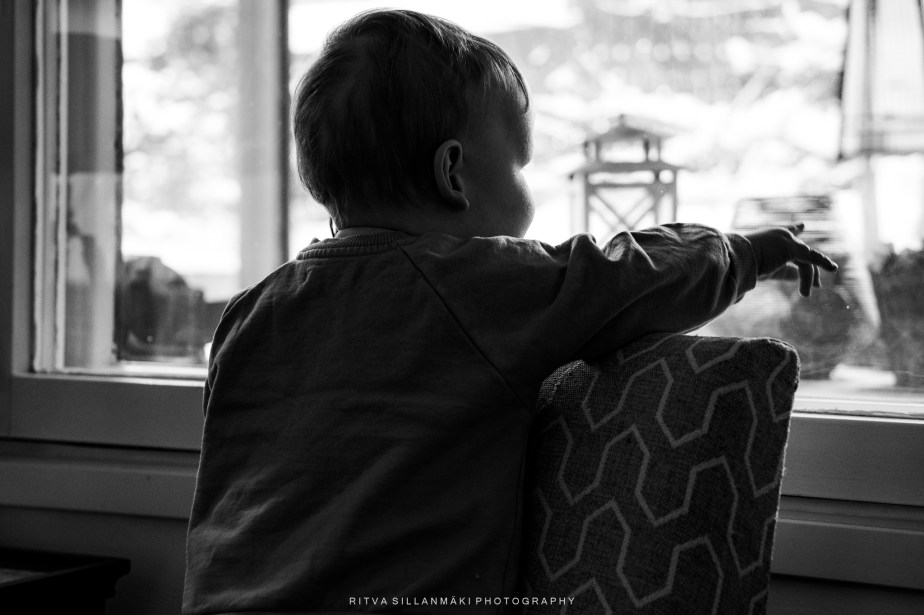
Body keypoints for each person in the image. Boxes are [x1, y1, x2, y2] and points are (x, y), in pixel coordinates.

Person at [182, 9, 836, 615]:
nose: (531, 193)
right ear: (453, 174)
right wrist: (745, 251)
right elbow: (629, 276)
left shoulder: (248, 314)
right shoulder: (472, 284)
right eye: (523, 165)